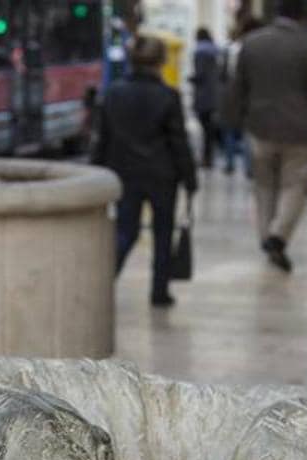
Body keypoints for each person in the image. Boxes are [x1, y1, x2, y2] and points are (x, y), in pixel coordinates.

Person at [92, 35, 197, 308]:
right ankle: (159, 291)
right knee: (163, 232)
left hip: (124, 172)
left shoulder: (113, 93)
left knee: (126, 230)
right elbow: (178, 142)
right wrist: (190, 177)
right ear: (161, 62)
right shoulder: (168, 96)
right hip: (162, 174)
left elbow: (102, 138)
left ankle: (101, 283)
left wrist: (96, 171)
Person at [233, 0, 307, 273]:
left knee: (264, 188)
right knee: (296, 186)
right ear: (302, 15)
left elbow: (238, 87)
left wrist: (232, 122)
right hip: (299, 131)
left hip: (259, 128)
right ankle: (278, 236)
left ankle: (266, 238)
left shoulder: (252, 43)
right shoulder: (305, 45)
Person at [216, 14, 260, 176]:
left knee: (229, 130)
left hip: (230, 94)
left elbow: (222, 74)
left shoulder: (230, 49)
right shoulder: (253, 49)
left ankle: (229, 163)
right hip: (249, 95)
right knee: (248, 131)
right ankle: (249, 167)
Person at [189, 27, 221, 168]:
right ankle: (209, 157)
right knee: (209, 128)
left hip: (203, 95)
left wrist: (191, 79)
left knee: (205, 127)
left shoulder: (200, 51)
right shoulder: (215, 50)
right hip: (214, 93)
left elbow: (199, 74)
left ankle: (206, 158)